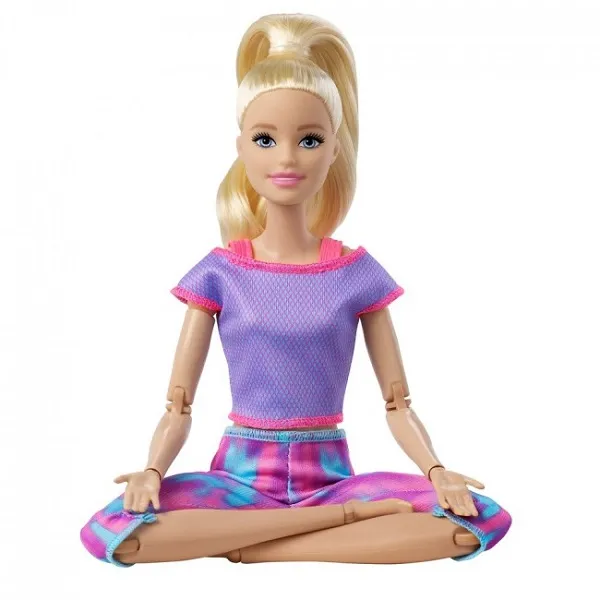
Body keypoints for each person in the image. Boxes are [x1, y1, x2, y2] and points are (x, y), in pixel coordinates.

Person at [80, 13, 511, 567]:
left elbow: (397, 403)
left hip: (328, 477)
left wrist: (436, 471)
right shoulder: (220, 272)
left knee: (474, 521)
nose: (286, 158)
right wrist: (152, 471)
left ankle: (257, 545)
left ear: (334, 150)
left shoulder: (356, 272)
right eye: (266, 139)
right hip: (238, 480)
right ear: (241, 147)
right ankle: (338, 525)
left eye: (309, 140)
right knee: (118, 533)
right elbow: (178, 404)